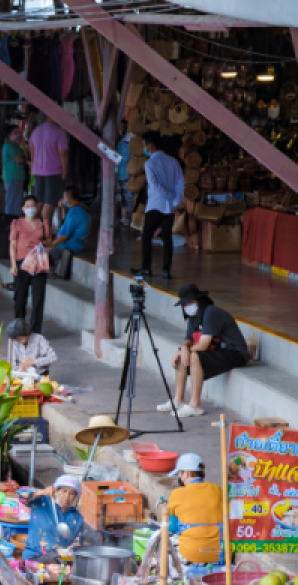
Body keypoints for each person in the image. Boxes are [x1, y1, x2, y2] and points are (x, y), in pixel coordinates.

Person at [159, 284, 250, 417]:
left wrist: (183, 351)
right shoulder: (193, 317)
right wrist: (183, 348)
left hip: (235, 353)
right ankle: (178, 400)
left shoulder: (210, 312)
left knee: (195, 356)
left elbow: (203, 345)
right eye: (184, 304)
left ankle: (195, 405)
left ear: (200, 301)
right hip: (218, 352)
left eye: (191, 302)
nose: (187, 307)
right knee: (183, 356)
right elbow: (188, 339)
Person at [134, 131, 185, 279]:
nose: (144, 148)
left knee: (147, 236)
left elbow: (155, 187)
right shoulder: (173, 161)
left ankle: (146, 268)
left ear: (150, 146)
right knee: (167, 238)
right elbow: (180, 183)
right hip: (169, 207)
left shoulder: (149, 163)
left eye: (145, 145)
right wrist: (175, 200)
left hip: (155, 206)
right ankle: (166, 270)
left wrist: (170, 195)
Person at [165, 453, 224, 573]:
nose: (180, 478)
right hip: (219, 556)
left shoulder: (177, 494)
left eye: (179, 474)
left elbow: (172, 527)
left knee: (165, 537)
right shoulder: (218, 490)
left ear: (186, 473)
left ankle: (174, 576)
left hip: (190, 556)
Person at [9, 194, 51, 334]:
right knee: (20, 298)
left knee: (38, 298)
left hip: (39, 264)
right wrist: (13, 265)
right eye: (27, 206)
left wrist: (43, 246)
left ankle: (36, 331)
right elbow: (13, 245)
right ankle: (19, 328)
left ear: (37, 207)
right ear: (23, 208)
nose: (31, 208)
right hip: (22, 264)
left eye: (33, 206)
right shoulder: (17, 223)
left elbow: (49, 242)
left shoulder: (43, 224)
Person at [23, 476, 87, 561]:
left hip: (60, 561)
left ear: (75, 497)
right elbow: (21, 494)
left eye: (71, 494)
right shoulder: (41, 502)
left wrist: (70, 551)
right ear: (56, 491)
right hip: (35, 556)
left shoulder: (77, 518)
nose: (67, 496)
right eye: (64, 491)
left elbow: (77, 545)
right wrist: (41, 492)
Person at [28, 115, 69, 225]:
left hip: (37, 171)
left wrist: (35, 165)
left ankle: (33, 226)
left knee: (39, 201)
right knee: (49, 201)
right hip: (53, 171)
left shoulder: (36, 131)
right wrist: (65, 171)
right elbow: (63, 153)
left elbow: (32, 151)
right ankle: (46, 230)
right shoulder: (59, 132)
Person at [47, 187, 90, 277]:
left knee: (48, 252)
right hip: (80, 243)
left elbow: (65, 236)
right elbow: (65, 222)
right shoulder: (81, 208)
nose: (62, 199)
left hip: (72, 244)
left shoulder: (74, 213)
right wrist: (63, 208)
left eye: (64, 197)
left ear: (69, 198)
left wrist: (52, 244)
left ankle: (50, 271)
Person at [2, 125, 29, 216]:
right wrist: (28, 163)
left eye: (19, 132)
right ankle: (10, 221)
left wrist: (24, 145)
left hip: (18, 176)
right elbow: (20, 159)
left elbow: (25, 156)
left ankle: (15, 221)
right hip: (12, 176)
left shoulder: (17, 146)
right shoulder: (9, 145)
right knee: (12, 201)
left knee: (17, 200)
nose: (18, 134)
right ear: (9, 135)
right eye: (15, 133)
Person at [116, 120, 133, 225]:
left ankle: (129, 217)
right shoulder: (120, 142)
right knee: (121, 197)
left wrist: (115, 158)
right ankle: (124, 217)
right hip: (119, 175)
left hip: (127, 174)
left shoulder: (129, 143)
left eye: (123, 127)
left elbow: (124, 158)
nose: (121, 130)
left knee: (128, 197)